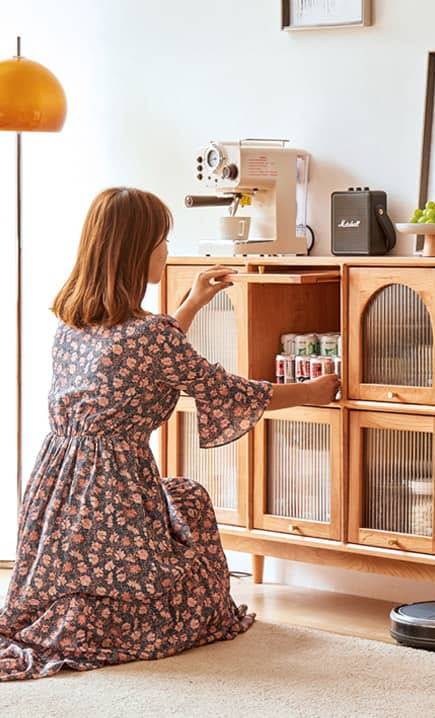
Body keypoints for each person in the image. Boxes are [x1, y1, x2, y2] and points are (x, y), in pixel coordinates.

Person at [0, 187, 339, 680]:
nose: (166, 251)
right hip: (113, 500)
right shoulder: (149, 335)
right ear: (139, 250)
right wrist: (310, 391)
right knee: (192, 503)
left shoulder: (74, 322)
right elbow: (226, 390)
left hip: (58, 502)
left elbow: (147, 357)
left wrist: (193, 301)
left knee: (178, 500)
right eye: (162, 241)